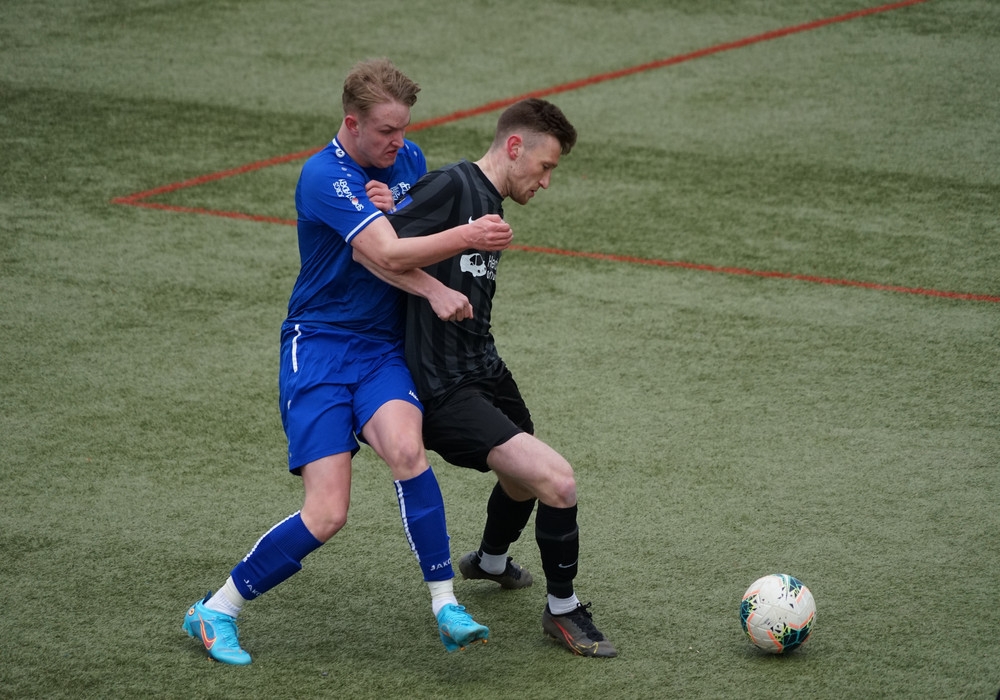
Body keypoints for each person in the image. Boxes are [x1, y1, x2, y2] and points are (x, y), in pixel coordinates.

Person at [182, 58, 514, 665]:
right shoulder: (323, 176)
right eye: (386, 131)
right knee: (328, 513)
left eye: (404, 128)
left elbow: (401, 235)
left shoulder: (406, 160)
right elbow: (382, 252)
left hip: (381, 349)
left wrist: (402, 210)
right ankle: (216, 609)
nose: (399, 142)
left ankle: (446, 605)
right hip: (320, 348)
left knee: (407, 451)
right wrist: (458, 250)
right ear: (352, 123)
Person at [374, 98, 616, 657]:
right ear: (514, 147)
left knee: (523, 472)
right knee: (558, 481)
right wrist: (388, 211)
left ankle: (489, 560)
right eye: (545, 166)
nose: (546, 181)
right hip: (444, 389)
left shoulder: (488, 201)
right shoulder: (454, 186)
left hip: (485, 368)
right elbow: (378, 249)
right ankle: (563, 610)